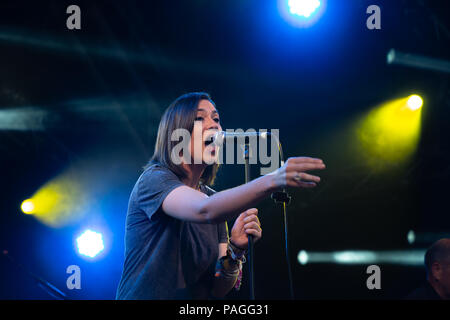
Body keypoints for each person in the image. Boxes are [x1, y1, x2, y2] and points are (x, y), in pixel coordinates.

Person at [115, 92, 326, 299]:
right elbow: (205, 210)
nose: (214, 125)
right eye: (200, 118)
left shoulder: (212, 200)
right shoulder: (154, 179)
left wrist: (235, 251)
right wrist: (272, 179)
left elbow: (216, 289)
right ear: (177, 133)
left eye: (216, 119)